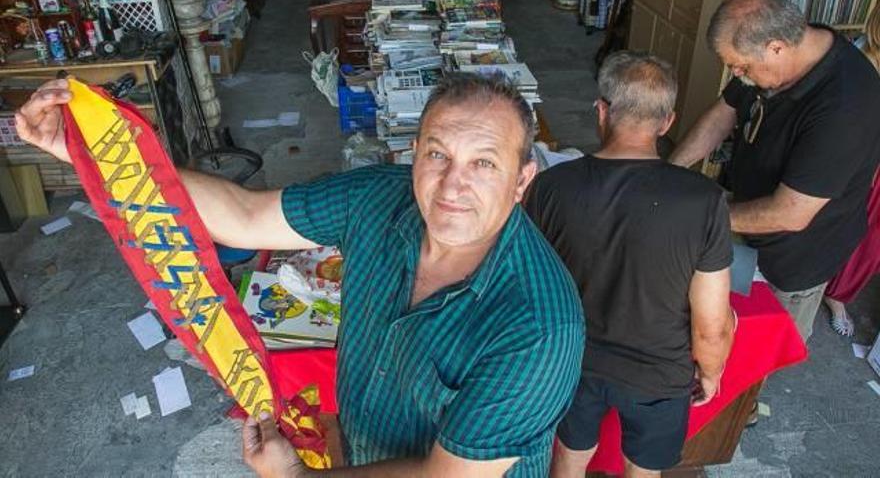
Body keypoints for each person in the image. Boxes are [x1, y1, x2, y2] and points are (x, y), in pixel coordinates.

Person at [15, 74, 585, 477]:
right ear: (415, 154)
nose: (453, 184)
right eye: (438, 154)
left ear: (521, 179)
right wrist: (86, 150)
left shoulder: (539, 324)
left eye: (484, 163)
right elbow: (242, 215)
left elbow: (448, 476)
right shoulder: (377, 198)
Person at [525, 51, 735, 478]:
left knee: (568, 457)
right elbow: (711, 323)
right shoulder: (704, 200)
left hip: (571, 362)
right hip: (658, 372)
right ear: (668, 122)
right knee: (643, 471)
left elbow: (530, 281)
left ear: (601, 111)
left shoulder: (551, 186)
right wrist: (711, 371)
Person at [669, 0, 880, 342]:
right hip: (749, 215)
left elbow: (790, 214)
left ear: (777, 47)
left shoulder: (847, 106)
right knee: (720, 319)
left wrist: (697, 213)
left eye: (741, 66)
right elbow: (724, 113)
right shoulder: (779, 50)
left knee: (761, 347)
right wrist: (667, 173)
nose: (737, 73)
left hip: (798, 256)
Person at [823, 4, 880, 336]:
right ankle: (834, 294)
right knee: (856, 225)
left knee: (872, 238)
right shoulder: (857, 56)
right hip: (863, 158)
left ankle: (839, 291)